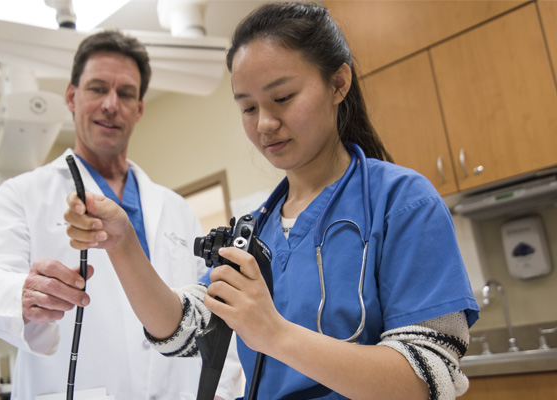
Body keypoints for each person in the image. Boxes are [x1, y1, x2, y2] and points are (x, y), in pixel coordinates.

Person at [63, 3, 481, 400]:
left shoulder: (403, 202)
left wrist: (275, 334)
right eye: (247, 108)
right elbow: (182, 329)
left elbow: (428, 378)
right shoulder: (255, 230)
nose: (265, 123)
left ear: (338, 83)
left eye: (282, 99)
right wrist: (121, 242)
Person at [0, 30, 242, 399]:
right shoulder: (24, 193)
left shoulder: (175, 207)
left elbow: (208, 309)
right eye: (97, 88)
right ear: (72, 97)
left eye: (125, 94)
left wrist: (225, 389)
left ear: (138, 109)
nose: (110, 104)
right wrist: (23, 292)